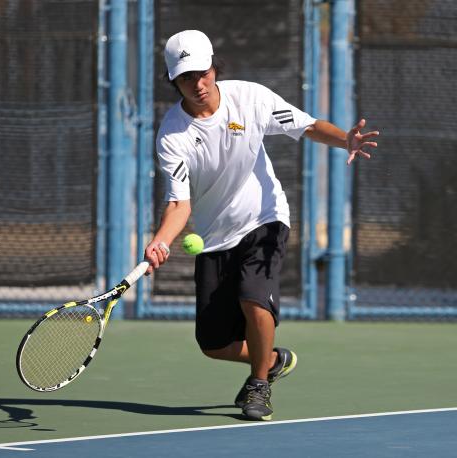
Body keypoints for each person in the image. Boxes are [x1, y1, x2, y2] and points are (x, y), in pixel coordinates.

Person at [144, 30, 379, 421]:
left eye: (203, 72)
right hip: (214, 237)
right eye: (186, 78)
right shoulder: (172, 136)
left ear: (215, 67)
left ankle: (259, 386)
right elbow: (178, 203)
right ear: (173, 81)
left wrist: (346, 140)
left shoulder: (251, 98)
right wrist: (161, 241)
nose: (198, 84)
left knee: (254, 297)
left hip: (264, 219)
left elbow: (306, 126)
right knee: (213, 344)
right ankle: (271, 358)